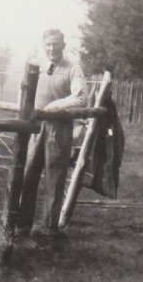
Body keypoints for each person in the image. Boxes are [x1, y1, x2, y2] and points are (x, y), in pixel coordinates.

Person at [16, 28, 88, 239]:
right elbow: (22, 91)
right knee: (27, 175)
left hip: (58, 130)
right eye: (48, 44)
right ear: (43, 45)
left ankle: (49, 230)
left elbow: (81, 98)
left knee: (54, 180)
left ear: (63, 45)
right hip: (34, 129)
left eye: (56, 44)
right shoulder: (35, 67)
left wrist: (54, 107)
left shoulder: (73, 69)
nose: (52, 48)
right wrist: (22, 117)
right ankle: (21, 227)